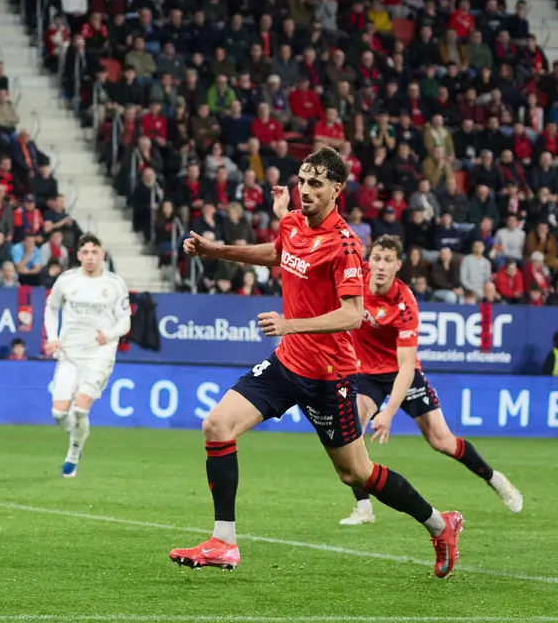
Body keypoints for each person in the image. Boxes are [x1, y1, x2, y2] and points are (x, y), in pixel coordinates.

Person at [173, 148, 462, 577]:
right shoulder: (292, 222)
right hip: (287, 364)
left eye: (315, 184)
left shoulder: (345, 244)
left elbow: (351, 313)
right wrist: (215, 251)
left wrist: (290, 324)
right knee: (216, 425)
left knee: (357, 474)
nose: (304, 190)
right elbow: (276, 253)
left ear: (336, 191)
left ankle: (440, 524)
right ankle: (223, 542)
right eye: (302, 181)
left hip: (330, 377)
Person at [339, 235, 522, 525]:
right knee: (351, 431)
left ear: (399, 265)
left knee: (441, 441)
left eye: (388, 260)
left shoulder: (405, 302)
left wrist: (388, 412)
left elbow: (407, 366)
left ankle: (495, 479)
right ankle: (363, 507)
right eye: (376, 258)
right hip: (365, 372)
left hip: (402, 372)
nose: (381, 266)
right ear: (368, 260)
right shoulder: (356, 277)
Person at [44, 234, 131, 478]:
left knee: (80, 410)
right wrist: (52, 337)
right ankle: (79, 435)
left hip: (99, 355)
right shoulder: (67, 280)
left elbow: (125, 320)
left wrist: (110, 333)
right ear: (79, 255)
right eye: (86, 252)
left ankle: (73, 454)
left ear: (102, 254)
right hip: (69, 354)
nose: (90, 257)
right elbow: (51, 309)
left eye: (95, 252)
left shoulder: (115, 283)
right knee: (60, 414)